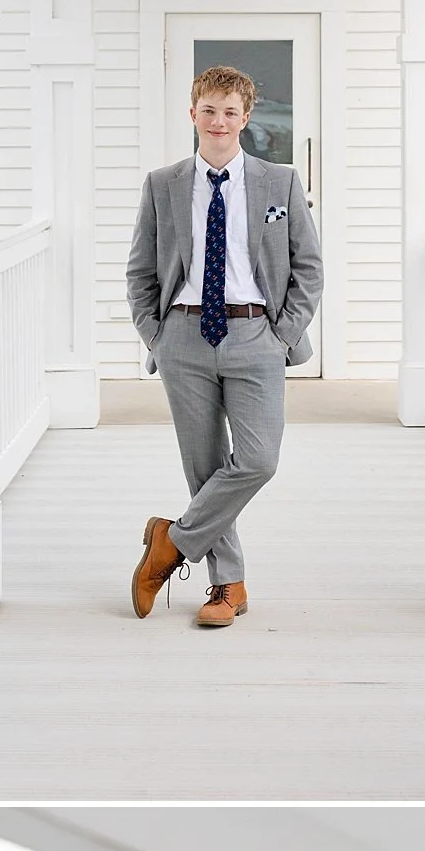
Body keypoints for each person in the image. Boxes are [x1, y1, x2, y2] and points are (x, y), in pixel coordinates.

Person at [126, 62, 321, 627]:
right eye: (208, 110)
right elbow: (140, 270)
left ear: (245, 117)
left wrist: (282, 335)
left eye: (230, 112)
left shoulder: (279, 182)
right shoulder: (163, 184)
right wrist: (157, 335)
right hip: (183, 336)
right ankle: (227, 586)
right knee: (205, 466)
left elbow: (309, 268)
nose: (218, 121)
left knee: (258, 460)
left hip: (256, 334)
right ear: (193, 113)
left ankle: (172, 541)